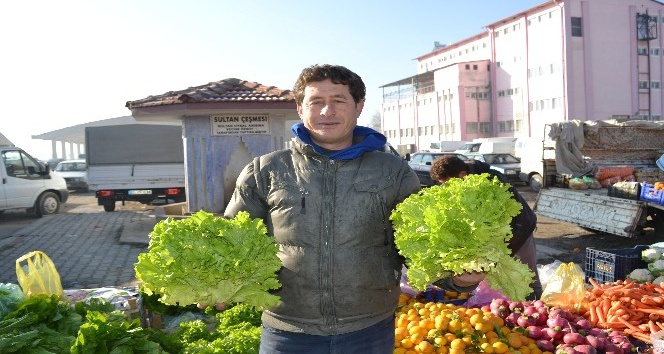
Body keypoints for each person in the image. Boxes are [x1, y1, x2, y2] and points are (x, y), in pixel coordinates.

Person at [223, 64, 421, 353]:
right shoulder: (265, 170)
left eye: (338, 101)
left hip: (368, 330)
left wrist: (457, 276)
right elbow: (232, 239)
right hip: (286, 331)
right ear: (301, 109)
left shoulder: (394, 172)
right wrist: (218, 280)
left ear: (359, 107)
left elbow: (418, 245)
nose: (327, 112)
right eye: (316, 102)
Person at [429, 155, 543, 300]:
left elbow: (492, 217)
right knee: (503, 281)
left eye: (447, 183)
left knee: (527, 276)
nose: (445, 187)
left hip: (519, 230)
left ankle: (537, 309)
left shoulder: (492, 180)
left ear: (462, 174)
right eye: (442, 184)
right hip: (498, 238)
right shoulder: (464, 182)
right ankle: (510, 308)